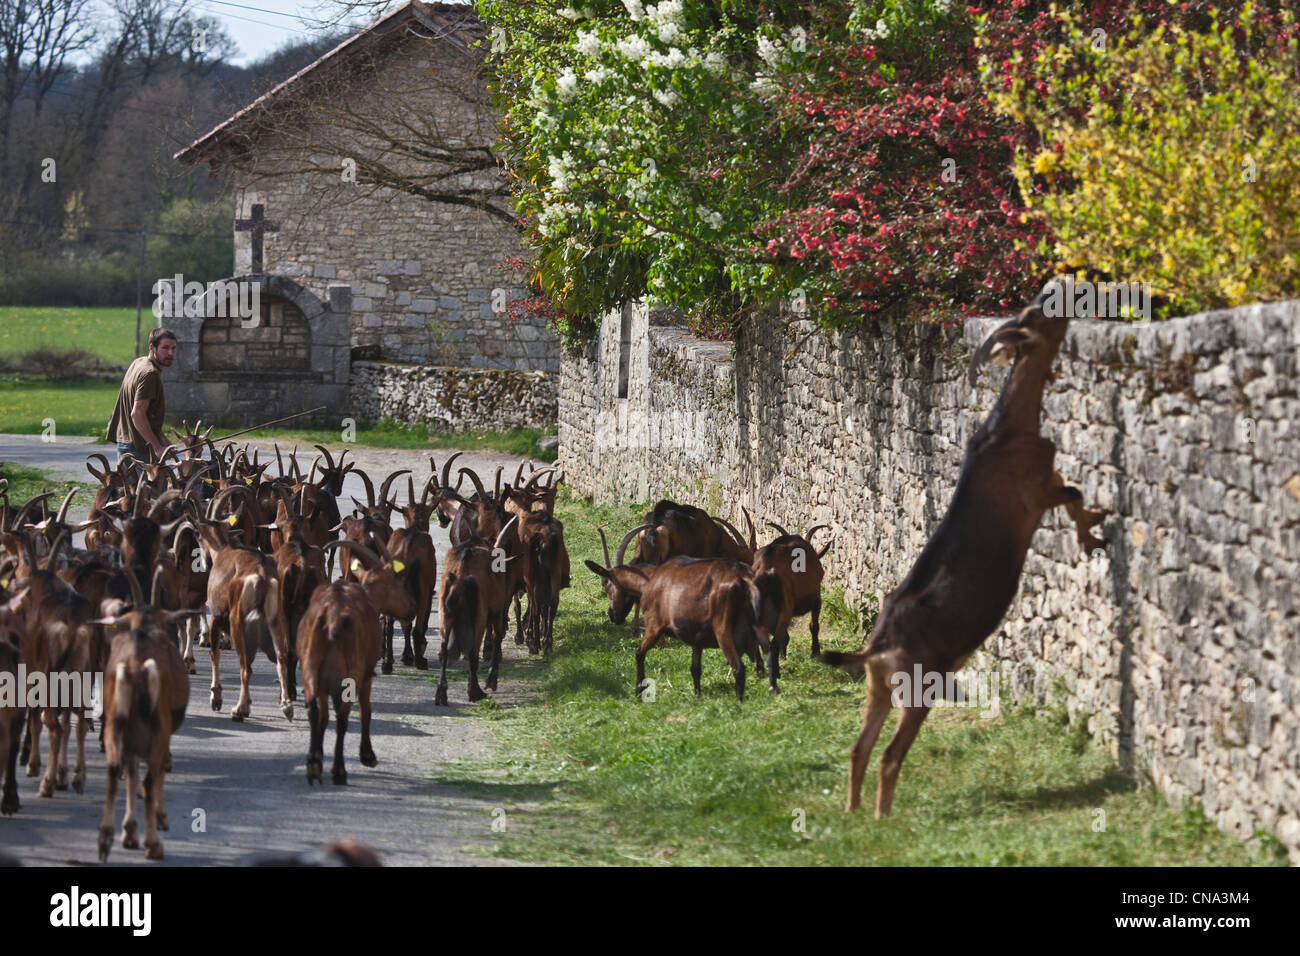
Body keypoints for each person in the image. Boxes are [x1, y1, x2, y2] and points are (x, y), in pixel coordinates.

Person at [108, 327, 177, 465]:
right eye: (165, 348)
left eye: (174, 348)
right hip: (139, 448)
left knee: (128, 487)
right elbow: (137, 414)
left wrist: (162, 439)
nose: (170, 353)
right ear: (152, 347)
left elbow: (148, 415)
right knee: (152, 487)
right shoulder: (150, 374)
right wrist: (157, 447)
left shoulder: (139, 363)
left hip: (126, 443)